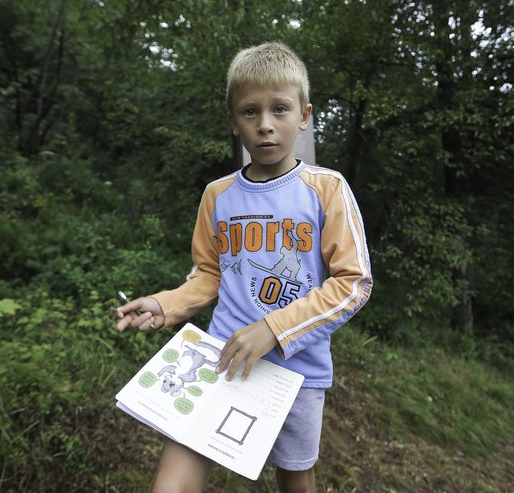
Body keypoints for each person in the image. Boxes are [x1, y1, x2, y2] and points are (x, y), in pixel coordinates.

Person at [115, 42, 373, 493]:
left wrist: (274, 329)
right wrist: (166, 305)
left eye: (280, 109)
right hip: (220, 359)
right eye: (250, 112)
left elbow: (353, 284)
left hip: (297, 372)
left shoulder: (327, 189)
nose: (266, 125)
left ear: (304, 116)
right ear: (233, 122)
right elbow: (208, 274)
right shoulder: (218, 195)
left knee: (294, 477)